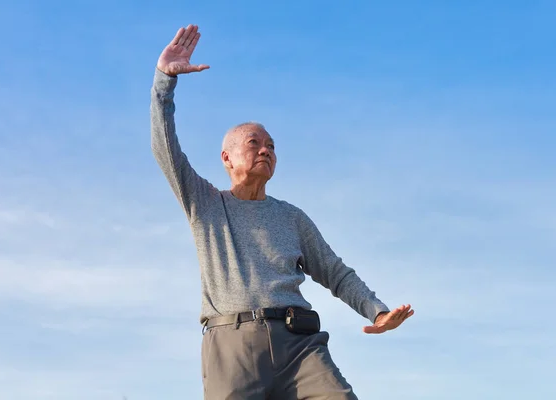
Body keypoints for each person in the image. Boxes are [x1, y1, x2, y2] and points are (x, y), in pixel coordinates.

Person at [151, 24, 414, 400]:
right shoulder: (206, 204)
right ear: (226, 158)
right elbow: (165, 148)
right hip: (233, 347)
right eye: (253, 143)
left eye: (271, 145)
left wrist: (377, 312)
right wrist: (164, 83)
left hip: (299, 347)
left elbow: (336, 273)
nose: (264, 150)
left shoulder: (292, 218)